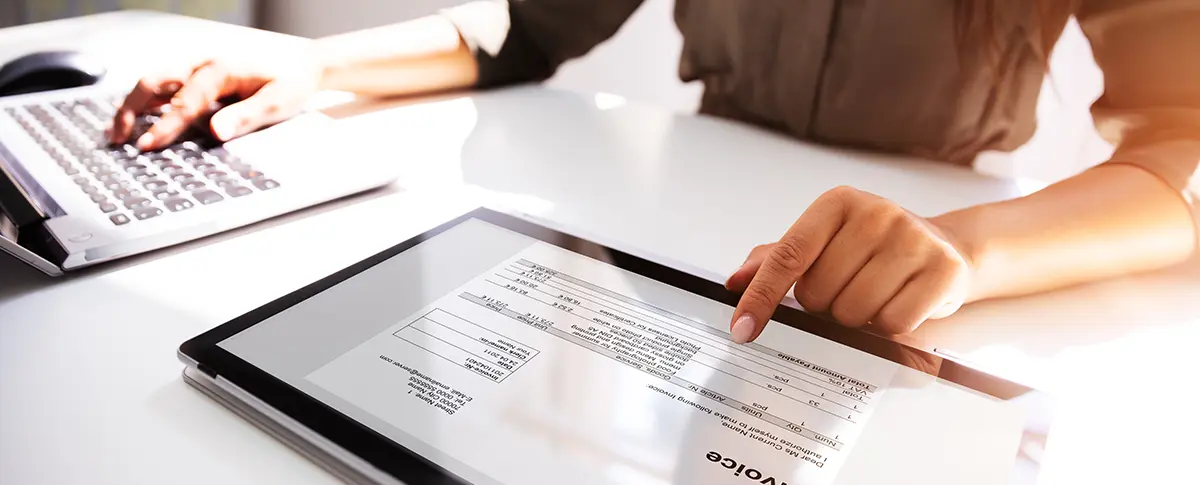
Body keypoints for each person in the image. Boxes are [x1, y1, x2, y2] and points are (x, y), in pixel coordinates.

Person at [109, 0, 1200, 343]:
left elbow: (1183, 149)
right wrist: (318, 63)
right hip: (696, 259)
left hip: (921, 287)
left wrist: (963, 249)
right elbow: (522, 29)